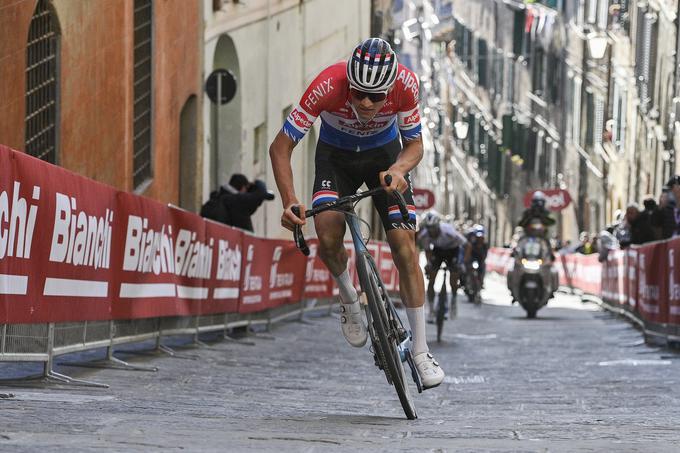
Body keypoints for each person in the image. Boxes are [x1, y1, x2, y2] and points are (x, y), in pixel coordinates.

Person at [268, 38, 444, 389]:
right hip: (336, 158)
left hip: (384, 157)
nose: (365, 102)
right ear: (347, 81)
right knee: (328, 234)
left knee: (404, 247)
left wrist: (399, 169)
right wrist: (289, 201)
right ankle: (348, 296)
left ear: (390, 89)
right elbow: (280, 147)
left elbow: (415, 145)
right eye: (358, 93)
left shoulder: (406, 85)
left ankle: (421, 352)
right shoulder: (327, 86)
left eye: (376, 97)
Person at [417, 211, 467, 323]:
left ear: (438, 225)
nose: (431, 231)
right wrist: (429, 264)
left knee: (454, 277)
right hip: (438, 251)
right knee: (431, 277)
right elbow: (428, 251)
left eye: (433, 228)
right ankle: (430, 309)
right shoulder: (424, 235)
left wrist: (462, 262)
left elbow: (465, 245)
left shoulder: (449, 231)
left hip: (454, 250)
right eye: (429, 228)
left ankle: (453, 298)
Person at [200, 173, 275, 232]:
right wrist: (257, 182)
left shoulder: (217, 197)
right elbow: (260, 194)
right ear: (243, 188)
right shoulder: (236, 200)